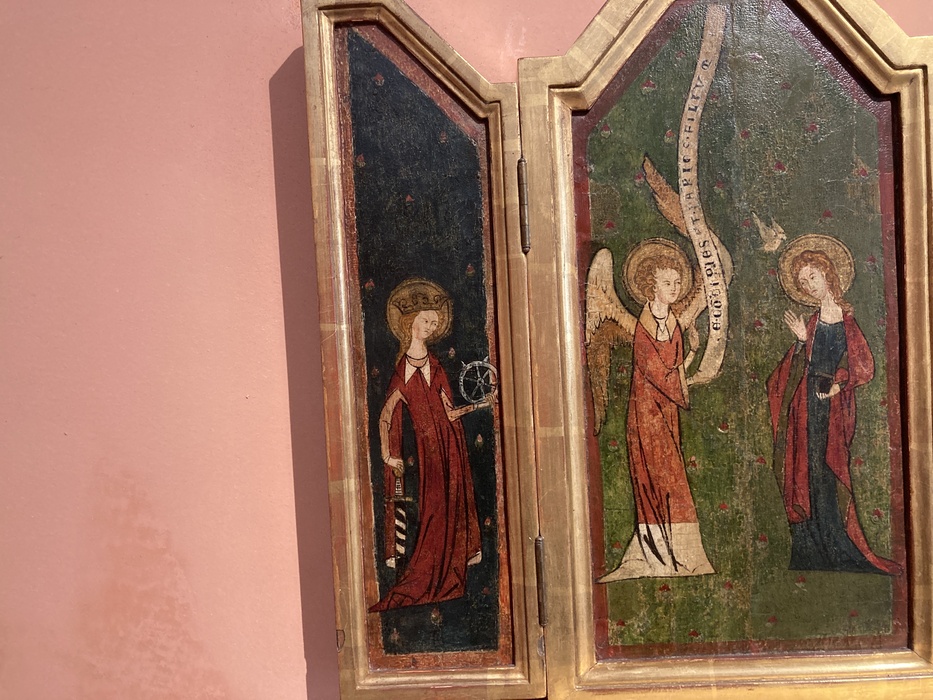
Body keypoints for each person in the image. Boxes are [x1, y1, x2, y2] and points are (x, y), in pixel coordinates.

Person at [767, 240, 900, 574]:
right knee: (805, 471)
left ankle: (838, 547)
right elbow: (802, 367)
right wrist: (801, 341)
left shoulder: (846, 319)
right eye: (803, 282)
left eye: (812, 277)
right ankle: (809, 552)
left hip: (831, 407)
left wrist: (838, 385)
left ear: (827, 274)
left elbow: (864, 367)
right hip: (805, 405)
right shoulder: (812, 322)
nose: (809, 285)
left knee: (826, 471)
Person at [369, 279, 493, 611]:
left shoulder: (435, 365)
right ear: (411, 322)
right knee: (432, 511)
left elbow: (449, 412)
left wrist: (479, 405)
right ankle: (426, 574)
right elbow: (385, 416)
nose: (431, 327)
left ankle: (448, 573)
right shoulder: (402, 371)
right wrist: (387, 455)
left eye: (435, 323)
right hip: (423, 453)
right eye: (427, 320)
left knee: (449, 509)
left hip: (449, 448)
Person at [598, 249, 714, 581]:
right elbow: (657, 374)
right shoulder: (643, 328)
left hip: (667, 411)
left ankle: (684, 555)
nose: (674, 287)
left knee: (672, 477)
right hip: (646, 414)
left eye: (677, 282)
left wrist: (692, 353)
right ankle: (658, 555)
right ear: (652, 287)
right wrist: (686, 376)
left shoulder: (672, 323)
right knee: (655, 479)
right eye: (667, 282)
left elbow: (673, 370)